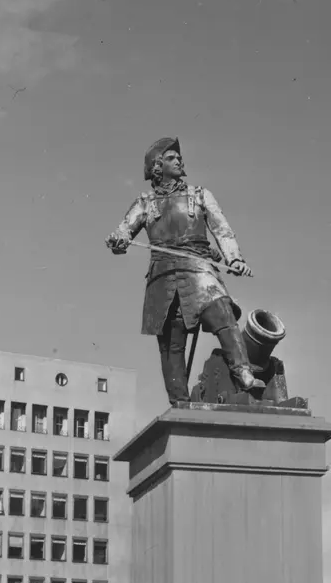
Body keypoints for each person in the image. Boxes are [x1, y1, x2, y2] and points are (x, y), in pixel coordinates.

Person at [106, 136, 263, 405]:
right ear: (157, 166)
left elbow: (222, 229)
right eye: (170, 158)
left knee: (222, 312)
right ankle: (178, 402)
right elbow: (123, 231)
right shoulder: (144, 203)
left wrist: (234, 258)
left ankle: (244, 373)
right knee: (170, 346)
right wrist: (118, 240)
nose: (178, 160)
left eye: (178, 157)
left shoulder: (200, 195)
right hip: (163, 280)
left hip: (199, 269)